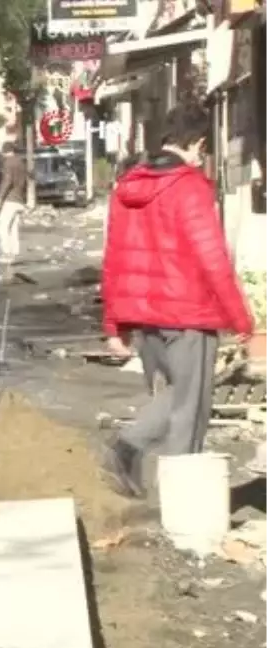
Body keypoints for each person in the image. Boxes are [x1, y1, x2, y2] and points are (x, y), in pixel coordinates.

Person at [99, 101, 253, 498]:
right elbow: (213, 260)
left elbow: (114, 256)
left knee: (173, 397)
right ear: (199, 142)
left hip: (146, 319)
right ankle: (169, 491)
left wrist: (114, 324)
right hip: (188, 316)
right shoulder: (189, 187)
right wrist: (242, 322)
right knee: (190, 407)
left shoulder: (128, 186)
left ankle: (139, 462)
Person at [0, 141, 28, 276]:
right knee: (13, 227)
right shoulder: (21, 162)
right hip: (19, 198)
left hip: (10, 199)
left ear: (4, 151)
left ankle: (7, 253)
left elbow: (7, 181)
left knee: (3, 226)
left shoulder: (8, 163)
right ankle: (15, 252)